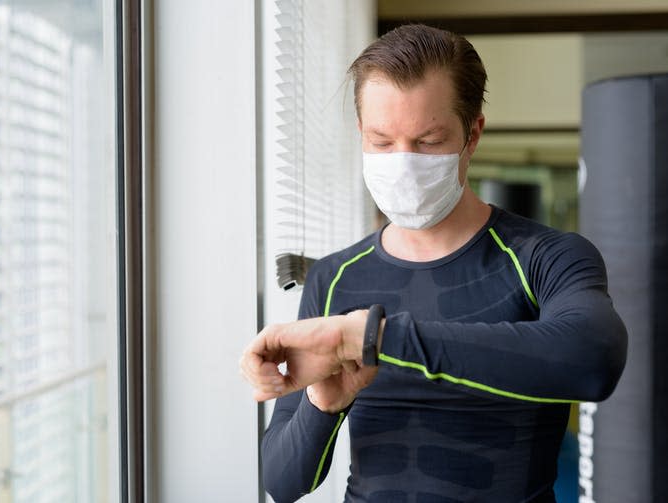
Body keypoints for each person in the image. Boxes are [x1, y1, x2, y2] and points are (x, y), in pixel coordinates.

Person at [240, 23, 627, 503]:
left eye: (427, 142)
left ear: (473, 134)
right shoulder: (335, 276)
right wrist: (323, 403)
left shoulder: (544, 257)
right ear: (361, 133)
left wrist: (374, 338)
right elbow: (282, 482)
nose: (402, 163)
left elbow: (594, 360)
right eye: (382, 142)